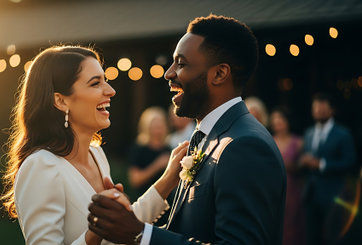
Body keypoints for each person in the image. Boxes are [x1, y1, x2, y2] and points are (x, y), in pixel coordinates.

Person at [88, 14, 286, 245]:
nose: (168, 73)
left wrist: (141, 234)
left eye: (181, 64)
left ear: (219, 74)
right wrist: (125, 222)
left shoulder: (245, 146)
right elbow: (188, 230)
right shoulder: (207, 137)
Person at [0, 45, 189, 245]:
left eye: (105, 80)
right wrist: (94, 233)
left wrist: (168, 179)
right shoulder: (41, 166)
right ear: (61, 101)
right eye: (95, 83)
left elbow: (124, 228)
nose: (111, 91)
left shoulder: (97, 155)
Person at [300, 92, 357, 245]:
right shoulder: (308, 133)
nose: (319, 111)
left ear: (332, 110)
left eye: (323, 108)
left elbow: (350, 162)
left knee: (334, 237)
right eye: (316, 108)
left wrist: (322, 164)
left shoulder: (343, 134)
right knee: (312, 237)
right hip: (311, 195)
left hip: (334, 195)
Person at [270, 106, 306, 245]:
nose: (278, 122)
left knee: (293, 221)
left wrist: (292, 166)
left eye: (281, 119)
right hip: (274, 187)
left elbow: (303, 167)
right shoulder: (268, 140)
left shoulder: (298, 142)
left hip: (293, 188)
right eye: (275, 120)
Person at [128, 106, 171, 199]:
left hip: (167, 201)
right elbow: (135, 180)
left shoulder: (168, 148)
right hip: (144, 199)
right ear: (147, 126)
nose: (158, 128)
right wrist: (157, 165)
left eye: (160, 124)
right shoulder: (139, 148)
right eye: (155, 125)